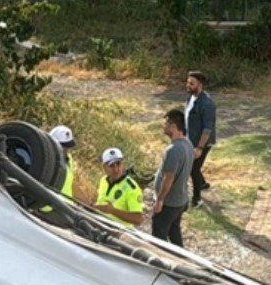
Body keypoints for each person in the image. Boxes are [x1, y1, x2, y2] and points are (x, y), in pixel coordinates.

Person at [151, 109, 193, 246]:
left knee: (158, 236)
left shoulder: (173, 150)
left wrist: (160, 200)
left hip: (169, 204)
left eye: (166, 123)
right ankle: (182, 260)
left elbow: (168, 178)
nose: (164, 126)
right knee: (174, 232)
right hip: (179, 201)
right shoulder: (188, 144)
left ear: (173, 126)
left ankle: (162, 264)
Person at [184, 71, 217, 205]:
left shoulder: (207, 104)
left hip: (202, 143)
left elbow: (207, 129)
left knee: (193, 168)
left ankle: (197, 199)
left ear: (200, 85)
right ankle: (202, 184)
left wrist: (199, 148)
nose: (188, 85)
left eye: (192, 83)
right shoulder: (190, 98)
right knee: (194, 167)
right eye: (188, 82)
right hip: (190, 140)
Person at [93, 147, 144, 226]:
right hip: (101, 226)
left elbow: (138, 219)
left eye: (118, 164)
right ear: (104, 167)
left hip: (120, 233)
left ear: (123, 164)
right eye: (112, 166)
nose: (116, 169)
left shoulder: (132, 188)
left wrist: (113, 211)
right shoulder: (103, 180)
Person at [49, 125, 78, 199]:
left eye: (68, 146)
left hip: (65, 207)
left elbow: (70, 183)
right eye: (63, 146)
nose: (66, 149)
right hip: (46, 206)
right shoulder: (45, 159)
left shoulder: (69, 158)